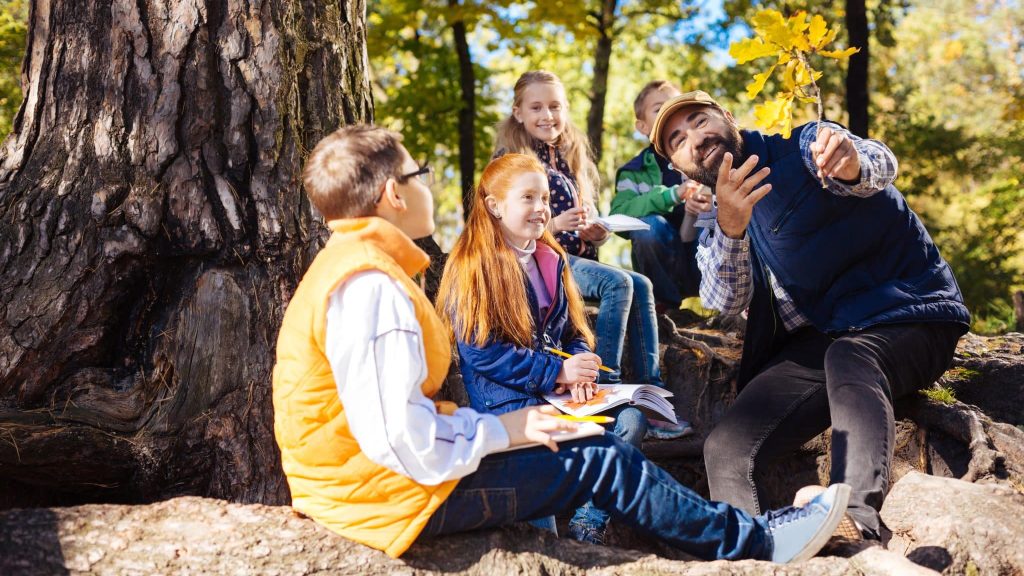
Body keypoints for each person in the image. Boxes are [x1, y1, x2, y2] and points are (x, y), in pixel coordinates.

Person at [271, 123, 852, 564]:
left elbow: (400, 427)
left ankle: (740, 533)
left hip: (377, 484)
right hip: (380, 498)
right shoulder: (371, 286)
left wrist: (562, 379)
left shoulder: (358, 267)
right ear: (394, 195)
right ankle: (757, 545)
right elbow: (401, 441)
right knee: (600, 460)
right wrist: (508, 429)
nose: (428, 183)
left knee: (603, 437)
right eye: (418, 173)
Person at [649, 91, 970, 543]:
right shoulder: (714, 220)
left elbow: (878, 164)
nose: (696, 140)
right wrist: (732, 226)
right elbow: (724, 299)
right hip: (821, 341)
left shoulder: (804, 146)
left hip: (905, 311)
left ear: (728, 117)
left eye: (700, 121)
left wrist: (850, 160)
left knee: (850, 357)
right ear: (679, 167)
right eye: (679, 141)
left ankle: (855, 513)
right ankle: (756, 552)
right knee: (725, 448)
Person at [437, 152, 651, 545]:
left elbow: (572, 330)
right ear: (494, 206)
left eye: (546, 200)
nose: (541, 209)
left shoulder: (550, 257)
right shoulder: (473, 265)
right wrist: (556, 372)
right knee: (543, 534)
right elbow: (481, 352)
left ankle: (588, 523)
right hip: (509, 409)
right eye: (528, 198)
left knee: (632, 420)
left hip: (559, 398)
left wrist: (579, 364)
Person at [494, 70, 691, 442]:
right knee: (616, 282)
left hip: (573, 258)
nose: (547, 115)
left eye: (555, 106)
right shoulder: (512, 162)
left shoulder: (569, 159)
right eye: (536, 107)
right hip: (535, 260)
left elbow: (582, 226)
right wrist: (553, 225)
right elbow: (502, 227)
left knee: (641, 283)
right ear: (518, 112)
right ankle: (606, 387)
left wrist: (594, 231)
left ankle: (652, 395)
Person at [611, 80, 712, 310]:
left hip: (703, 257)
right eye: (659, 109)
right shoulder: (634, 171)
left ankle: (740, 304)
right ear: (643, 127)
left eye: (674, 106)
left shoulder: (705, 155)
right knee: (648, 226)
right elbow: (618, 213)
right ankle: (661, 305)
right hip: (663, 265)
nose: (668, 112)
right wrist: (671, 196)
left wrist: (708, 205)